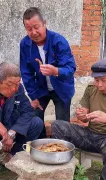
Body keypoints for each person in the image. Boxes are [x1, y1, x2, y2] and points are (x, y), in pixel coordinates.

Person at [19, 7, 76, 138]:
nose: (33, 32)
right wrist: (33, 95)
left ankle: (62, 152)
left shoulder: (59, 41)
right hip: (40, 89)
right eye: (29, 29)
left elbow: (70, 68)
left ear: (45, 23)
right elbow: (25, 72)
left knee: (62, 125)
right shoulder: (25, 44)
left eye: (36, 27)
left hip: (61, 88)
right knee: (35, 121)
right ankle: (41, 147)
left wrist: (55, 70)